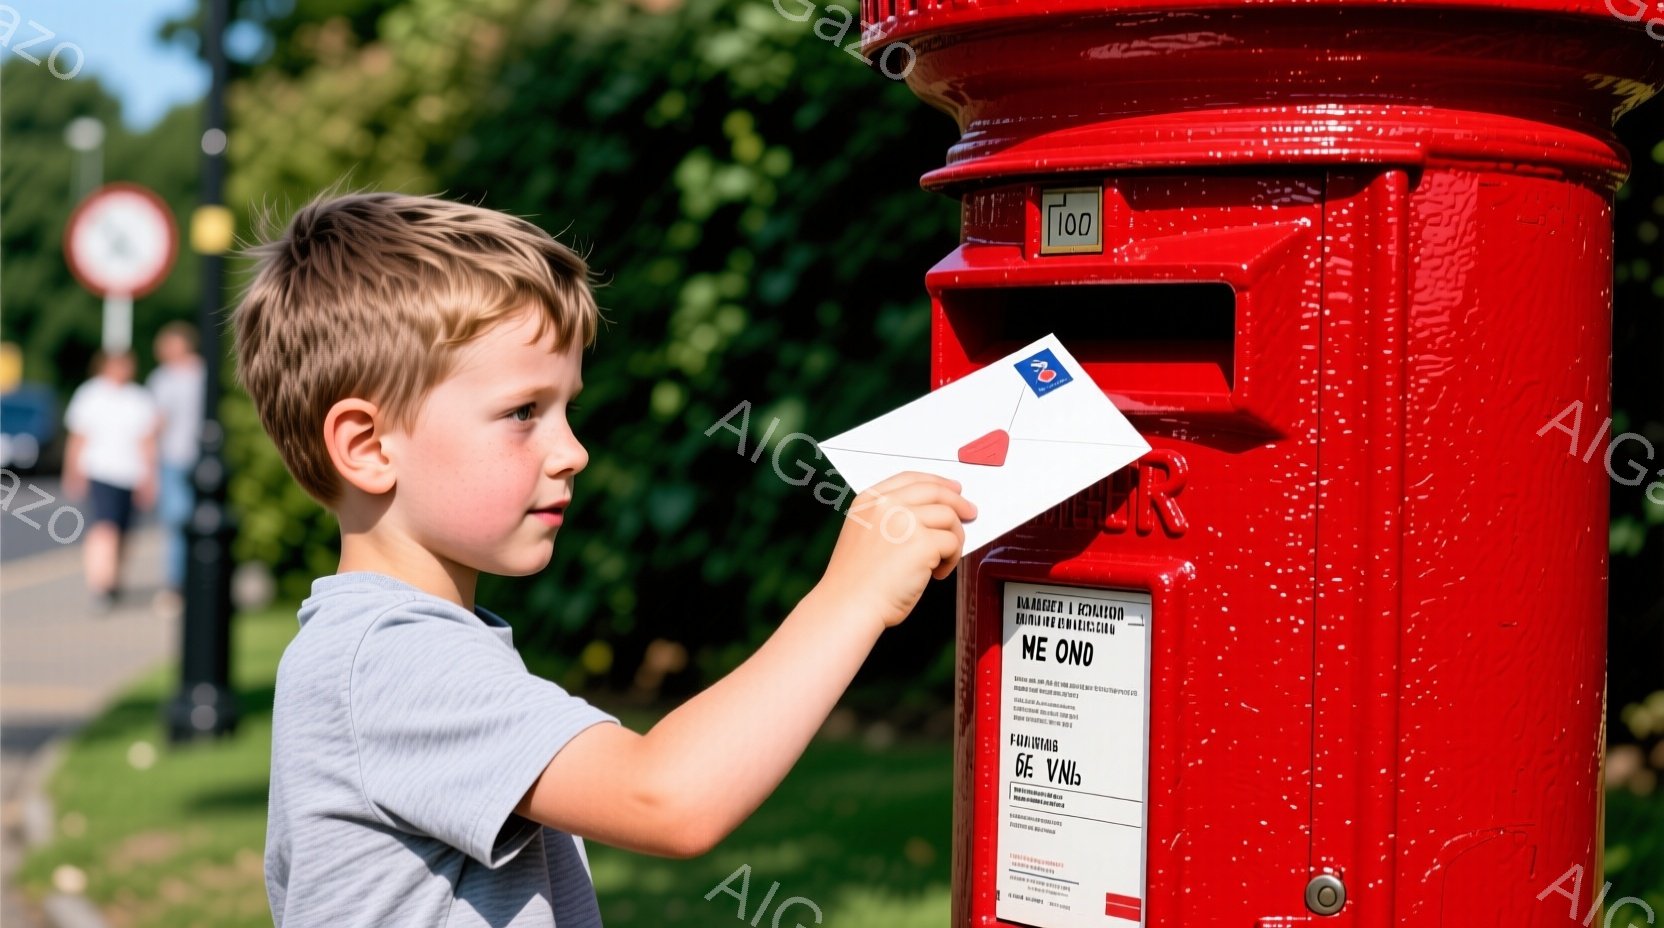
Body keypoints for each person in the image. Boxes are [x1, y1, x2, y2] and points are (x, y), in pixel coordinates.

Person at [237, 192, 976, 928]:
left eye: (567, 410)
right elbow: (667, 796)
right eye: (523, 413)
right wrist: (851, 595)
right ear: (367, 446)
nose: (573, 452)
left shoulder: (394, 646)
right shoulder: (390, 657)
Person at [62, 350, 160, 610]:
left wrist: (150, 477)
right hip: (100, 471)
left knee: (124, 532)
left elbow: (147, 442)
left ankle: (113, 580)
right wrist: (72, 471)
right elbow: (78, 438)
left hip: (131, 473)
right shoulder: (90, 395)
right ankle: (100, 584)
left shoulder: (139, 398)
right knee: (105, 528)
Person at [146, 321, 205, 609]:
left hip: (199, 457)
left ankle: (194, 581)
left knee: (199, 520)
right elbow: (155, 424)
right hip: (172, 458)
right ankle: (177, 584)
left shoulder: (201, 373)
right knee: (177, 521)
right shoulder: (162, 379)